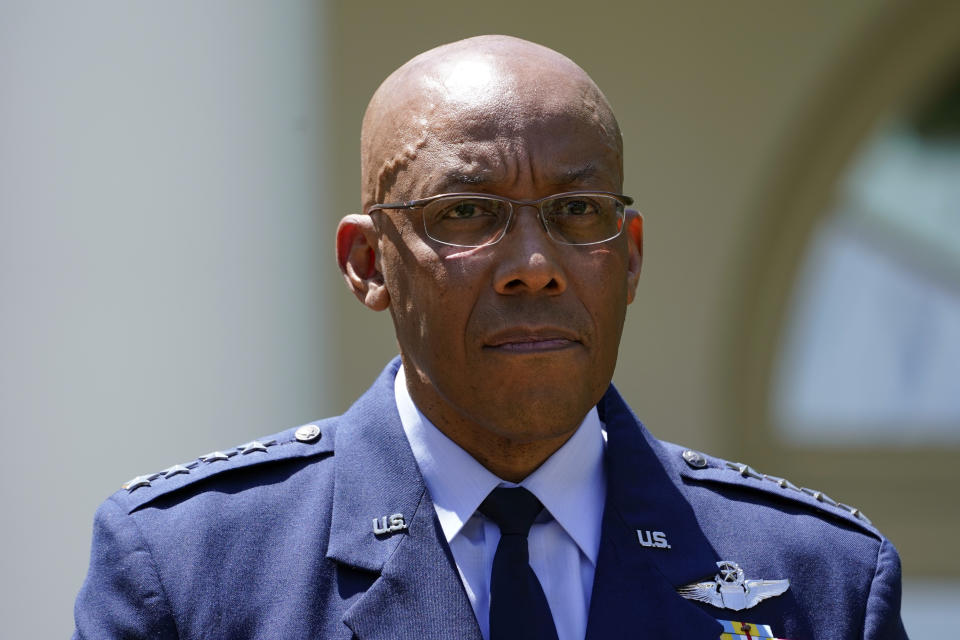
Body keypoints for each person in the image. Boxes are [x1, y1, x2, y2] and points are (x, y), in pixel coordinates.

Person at [73, 35, 908, 640]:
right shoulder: (193, 572)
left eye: (579, 211)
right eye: (466, 213)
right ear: (368, 263)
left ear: (630, 259)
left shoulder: (820, 581)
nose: (535, 266)